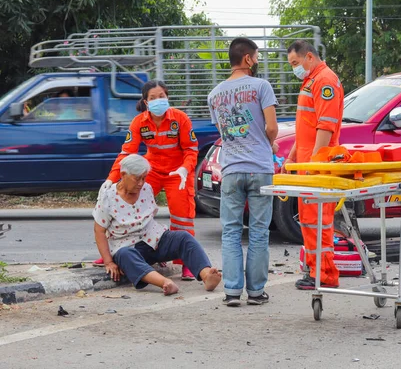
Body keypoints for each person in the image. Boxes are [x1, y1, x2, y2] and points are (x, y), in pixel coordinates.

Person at [95, 80, 199, 281]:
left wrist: (185, 169)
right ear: (146, 101)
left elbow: (191, 149)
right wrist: (111, 179)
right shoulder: (139, 122)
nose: (158, 100)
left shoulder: (180, 119)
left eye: (162, 96)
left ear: (167, 97)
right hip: (151, 170)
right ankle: (109, 253)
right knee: (124, 198)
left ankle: (185, 262)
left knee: (182, 215)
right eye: (153, 98)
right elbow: (127, 153)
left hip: (177, 172)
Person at [207, 37, 278, 307]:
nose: (257, 61)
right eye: (256, 56)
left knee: (231, 231)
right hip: (260, 167)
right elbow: (271, 127)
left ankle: (233, 292)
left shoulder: (214, 94)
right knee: (259, 231)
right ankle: (257, 292)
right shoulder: (261, 86)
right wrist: (267, 144)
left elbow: (224, 133)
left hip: (231, 169)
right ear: (247, 58)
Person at [93, 154, 221, 295]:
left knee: (183, 237)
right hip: (127, 247)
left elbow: (150, 219)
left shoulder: (146, 189)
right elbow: (99, 231)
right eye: (137, 179)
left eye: (144, 178)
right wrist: (108, 262)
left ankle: (206, 275)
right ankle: (164, 283)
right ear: (123, 175)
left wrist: (160, 252)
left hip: (154, 240)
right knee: (125, 255)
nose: (141, 183)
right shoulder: (108, 197)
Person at [284, 40, 344, 290]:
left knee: (318, 223)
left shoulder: (325, 81)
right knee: (309, 223)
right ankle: (315, 270)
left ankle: (324, 274)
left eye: (296, 63)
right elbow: (306, 129)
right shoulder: (311, 81)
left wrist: (313, 164)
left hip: (317, 167)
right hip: (308, 165)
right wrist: (292, 158)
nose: (294, 69)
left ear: (309, 57)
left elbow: (326, 127)